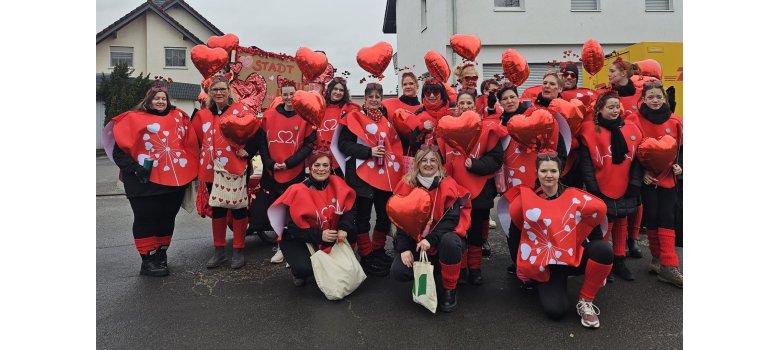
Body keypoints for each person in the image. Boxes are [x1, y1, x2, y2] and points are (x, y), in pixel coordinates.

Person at [503, 154, 612, 329]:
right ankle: (543, 283)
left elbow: (594, 225)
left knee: (604, 250)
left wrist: (599, 268)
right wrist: (520, 265)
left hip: (572, 257)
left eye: (553, 170)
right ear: (536, 173)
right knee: (556, 311)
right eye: (544, 170)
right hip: (546, 264)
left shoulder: (575, 198)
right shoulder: (527, 201)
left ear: (560, 172)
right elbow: (515, 234)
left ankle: (586, 301)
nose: (549, 175)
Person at [106, 81, 199, 276]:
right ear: (148, 101)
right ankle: (148, 259)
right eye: (156, 98)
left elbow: (190, 144)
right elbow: (119, 153)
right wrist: (135, 169)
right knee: (146, 218)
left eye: (163, 98)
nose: (160, 101)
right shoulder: (133, 119)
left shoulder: (179, 118)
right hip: (143, 182)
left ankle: (161, 254)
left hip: (174, 182)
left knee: (167, 218)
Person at [244, 76, 317, 264]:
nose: (288, 97)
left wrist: (290, 163)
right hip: (272, 173)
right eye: (285, 94)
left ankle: (291, 247)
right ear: (281, 96)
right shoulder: (269, 116)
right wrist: (269, 164)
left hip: (294, 172)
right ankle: (279, 245)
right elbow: (263, 143)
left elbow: (308, 145)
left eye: (292, 94)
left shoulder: (305, 117)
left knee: (293, 212)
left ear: (297, 96)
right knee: (277, 211)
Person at [335, 82, 405, 276]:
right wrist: (368, 152)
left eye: (378, 97)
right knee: (363, 217)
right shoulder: (354, 118)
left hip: (383, 177)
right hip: (361, 177)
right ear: (365, 99)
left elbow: (394, 145)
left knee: (383, 216)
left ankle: (378, 250)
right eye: (371, 96)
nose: (374, 100)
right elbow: (344, 144)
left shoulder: (386, 121)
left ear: (381, 100)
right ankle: (366, 256)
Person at [390, 147, 471, 312]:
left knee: (450, 242)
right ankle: (430, 273)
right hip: (417, 241)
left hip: (441, 240)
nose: (428, 164)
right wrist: (404, 248)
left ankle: (449, 289)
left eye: (433, 160)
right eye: (424, 160)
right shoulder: (407, 184)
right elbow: (401, 220)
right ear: (417, 164)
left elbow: (451, 220)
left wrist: (430, 239)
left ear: (439, 164)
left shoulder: (448, 184)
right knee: (398, 271)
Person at [439, 91, 506, 285]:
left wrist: (475, 165)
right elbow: (441, 158)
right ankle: (460, 268)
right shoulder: (446, 128)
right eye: (462, 103)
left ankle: (475, 269)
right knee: (458, 230)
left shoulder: (488, 129)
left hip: (480, 190)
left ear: (475, 106)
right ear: (457, 106)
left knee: (476, 231)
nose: (465, 105)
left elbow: (496, 160)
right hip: (454, 191)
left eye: (469, 102)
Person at [267, 146, 357, 287]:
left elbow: (350, 211)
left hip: (328, 234)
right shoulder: (298, 190)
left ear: (330, 167)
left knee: (352, 233)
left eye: (325, 165)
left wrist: (344, 228)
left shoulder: (338, 184)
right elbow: (292, 229)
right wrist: (320, 235)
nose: (321, 169)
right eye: (317, 165)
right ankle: (298, 271)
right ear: (310, 168)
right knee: (305, 268)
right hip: (299, 238)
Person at [579, 91, 643, 281]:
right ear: (600, 109)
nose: (615, 111)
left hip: (625, 183)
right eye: (610, 107)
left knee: (621, 220)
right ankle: (605, 262)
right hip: (600, 184)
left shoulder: (631, 129)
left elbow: (638, 160)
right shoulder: (590, 130)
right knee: (606, 222)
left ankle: (620, 260)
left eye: (617, 107)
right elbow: (586, 163)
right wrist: (592, 187)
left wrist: (634, 183)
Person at [192, 75, 253, 269]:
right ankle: (219, 251)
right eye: (215, 90)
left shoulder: (241, 111)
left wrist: (248, 150)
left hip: (236, 167)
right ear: (210, 93)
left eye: (222, 89)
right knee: (217, 208)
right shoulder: (202, 115)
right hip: (211, 169)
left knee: (238, 208)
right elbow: (196, 140)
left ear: (229, 91)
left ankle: (238, 250)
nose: (219, 93)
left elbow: (255, 133)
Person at [625, 81, 683, 288]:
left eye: (658, 97)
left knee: (667, 217)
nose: (655, 101)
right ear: (644, 100)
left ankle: (669, 264)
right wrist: (642, 174)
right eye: (650, 97)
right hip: (647, 179)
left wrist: (680, 167)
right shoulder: (634, 120)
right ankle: (657, 260)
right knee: (652, 218)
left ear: (665, 99)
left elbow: (681, 149)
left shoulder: (676, 121)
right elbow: (630, 152)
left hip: (668, 178)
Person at [320, 77, 361, 177]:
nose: (338, 92)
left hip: (342, 156)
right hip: (322, 154)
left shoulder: (350, 109)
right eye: (335, 89)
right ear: (329, 90)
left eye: (341, 90)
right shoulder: (320, 107)